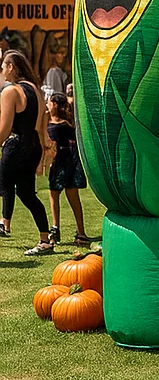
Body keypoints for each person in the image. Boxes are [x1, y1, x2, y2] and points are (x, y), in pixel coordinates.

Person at [0, 50, 53, 253]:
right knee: (26, 193)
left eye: (3, 66)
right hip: (32, 148)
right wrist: (42, 155)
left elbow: (4, 130)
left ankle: (4, 223)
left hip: (15, 146)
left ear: (11, 67)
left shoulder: (10, 92)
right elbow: (40, 127)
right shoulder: (35, 90)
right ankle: (45, 239)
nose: (2, 70)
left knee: (5, 186)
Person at [44, 93, 93, 247]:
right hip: (70, 162)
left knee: (54, 196)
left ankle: (56, 228)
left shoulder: (55, 125)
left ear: (55, 105)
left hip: (60, 162)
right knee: (72, 197)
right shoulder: (67, 124)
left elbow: (51, 144)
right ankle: (80, 232)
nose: (47, 105)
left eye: (49, 102)